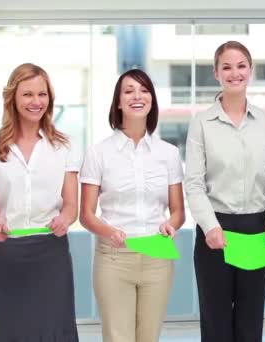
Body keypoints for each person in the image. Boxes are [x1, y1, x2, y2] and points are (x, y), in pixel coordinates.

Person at [184, 40, 265, 342]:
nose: (235, 73)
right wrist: (210, 226)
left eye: (241, 66)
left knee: (250, 321)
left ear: (250, 71)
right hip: (215, 230)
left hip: (257, 228)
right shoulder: (201, 123)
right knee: (215, 322)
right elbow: (193, 183)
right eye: (226, 67)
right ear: (216, 73)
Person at [0, 63, 80, 341]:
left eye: (42, 94)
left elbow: (71, 205)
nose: (36, 102)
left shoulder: (64, 147)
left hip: (51, 253)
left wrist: (65, 219)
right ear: (13, 98)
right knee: (11, 331)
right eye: (27, 94)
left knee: (56, 331)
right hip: (6, 255)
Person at [79, 69, 185, 342]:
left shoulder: (169, 154)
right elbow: (87, 215)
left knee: (149, 337)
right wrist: (108, 231)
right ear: (118, 102)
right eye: (128, 91)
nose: (137, 96)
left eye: (144, 90)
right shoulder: (98, 153)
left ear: (152, 100)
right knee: (118, 337)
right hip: (115, 257)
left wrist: (170, 225)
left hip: (157, 255)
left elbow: (178, 212)